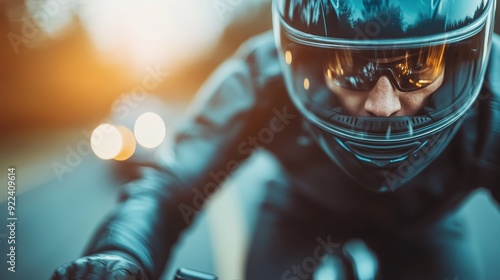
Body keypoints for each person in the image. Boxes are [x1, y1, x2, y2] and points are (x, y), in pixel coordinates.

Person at [52, 0, 500, 279]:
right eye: (353, 68)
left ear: (463, 56)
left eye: (418, 67)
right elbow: (172, 184)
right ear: (306, 55)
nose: (382, 105)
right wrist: (120, 254)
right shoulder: (261, 76)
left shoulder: (495, 97)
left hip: (424, 228)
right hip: (302, 216)